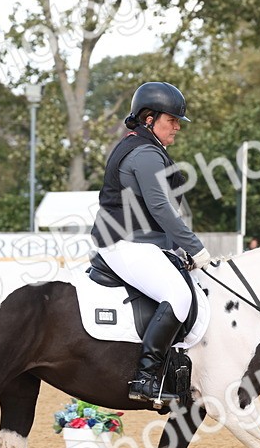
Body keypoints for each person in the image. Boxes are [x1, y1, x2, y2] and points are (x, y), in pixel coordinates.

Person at [90, 81, 210, 404]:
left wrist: (179, 248)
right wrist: (195, 247)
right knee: (179, 295)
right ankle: (146, 377)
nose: (176, 127)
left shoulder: (146, 148)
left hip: (137, 242)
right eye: (171, 120)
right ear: (148, 119)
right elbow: (161, 208)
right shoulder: (145, 154)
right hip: (123, 244)